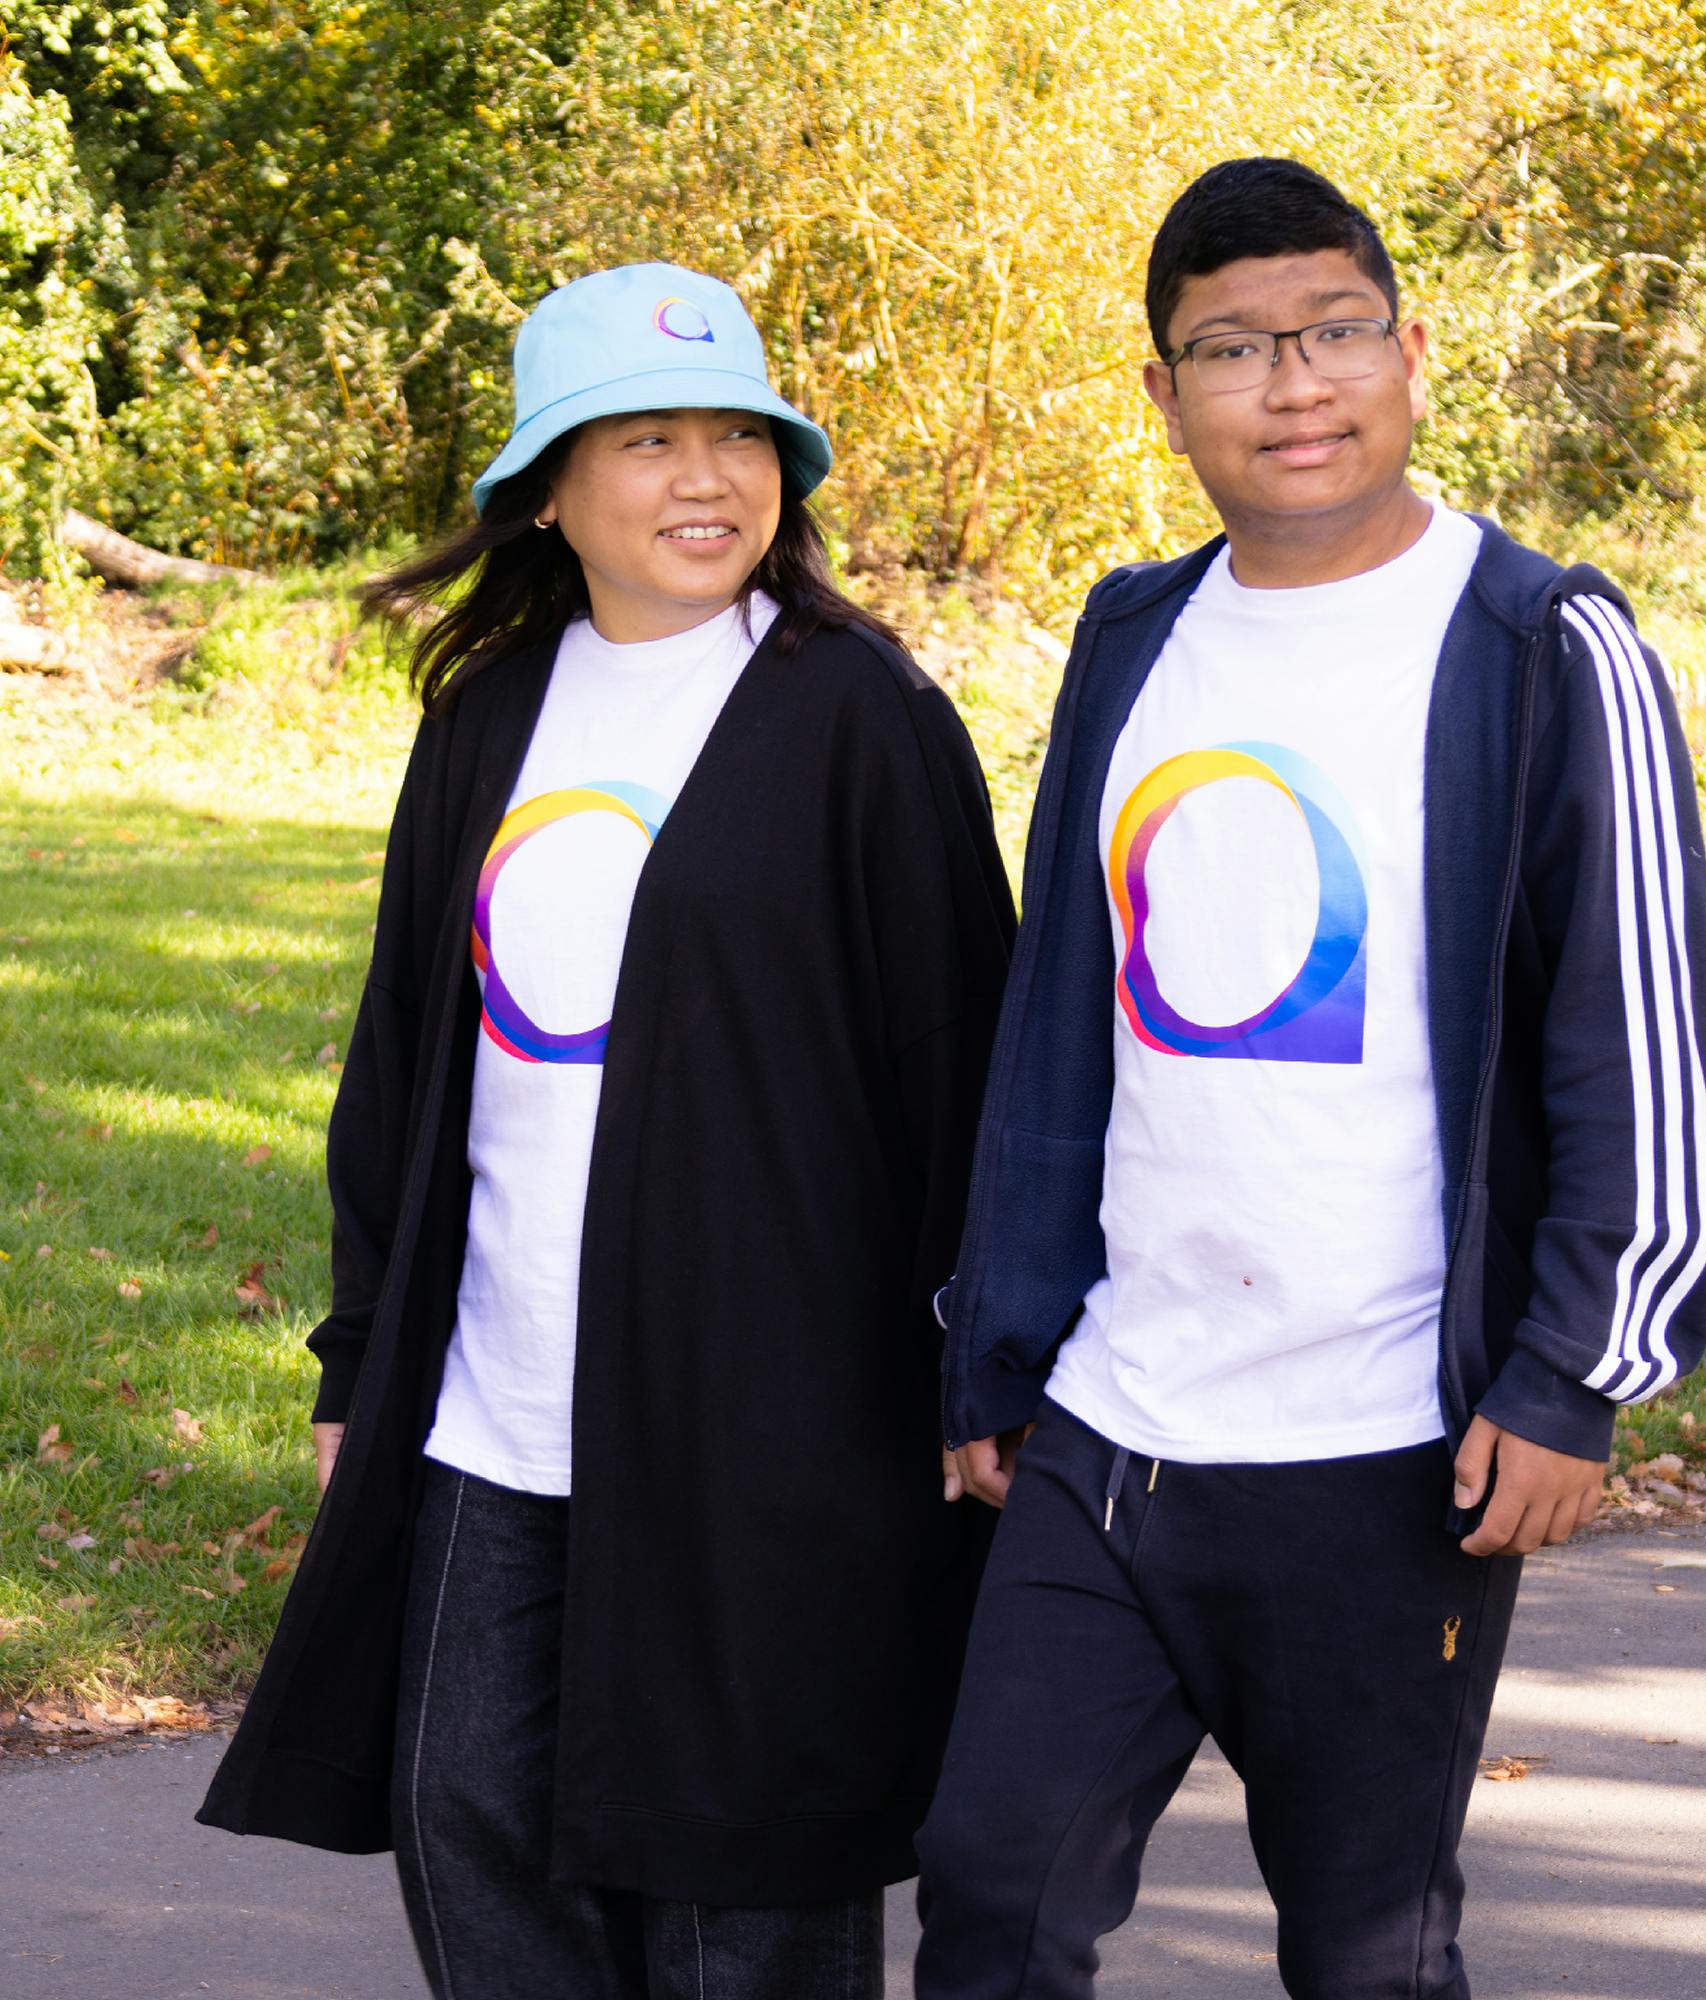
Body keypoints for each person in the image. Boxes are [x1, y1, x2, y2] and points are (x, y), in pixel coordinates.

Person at [915, 158, 1706, 1999]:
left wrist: (1576, 1372)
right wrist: (1003, 1330)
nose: (1295, 384)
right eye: (1234, 349)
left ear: (1410, 352)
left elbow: (1640, 1038)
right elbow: (1063, 1008)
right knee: (989, 1893)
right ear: (1164, 394)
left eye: (1335, 332)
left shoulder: (1538, 645)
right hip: (1117, 1421)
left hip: (1383, 1451)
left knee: (1365, 1951)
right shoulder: (1133, 637)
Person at [197, 261, 1016, 2000]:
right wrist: (360, 1363)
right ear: (550, 489)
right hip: (496, 1412)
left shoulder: (863, 721)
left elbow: (966, 1081)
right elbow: (412, 1057)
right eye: (647, 441)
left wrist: (981, 1373)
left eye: (740, 437)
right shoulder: (487, 711)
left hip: (774, 1436)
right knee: (468, 1828)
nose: (705, 480)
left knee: (743, 1896)